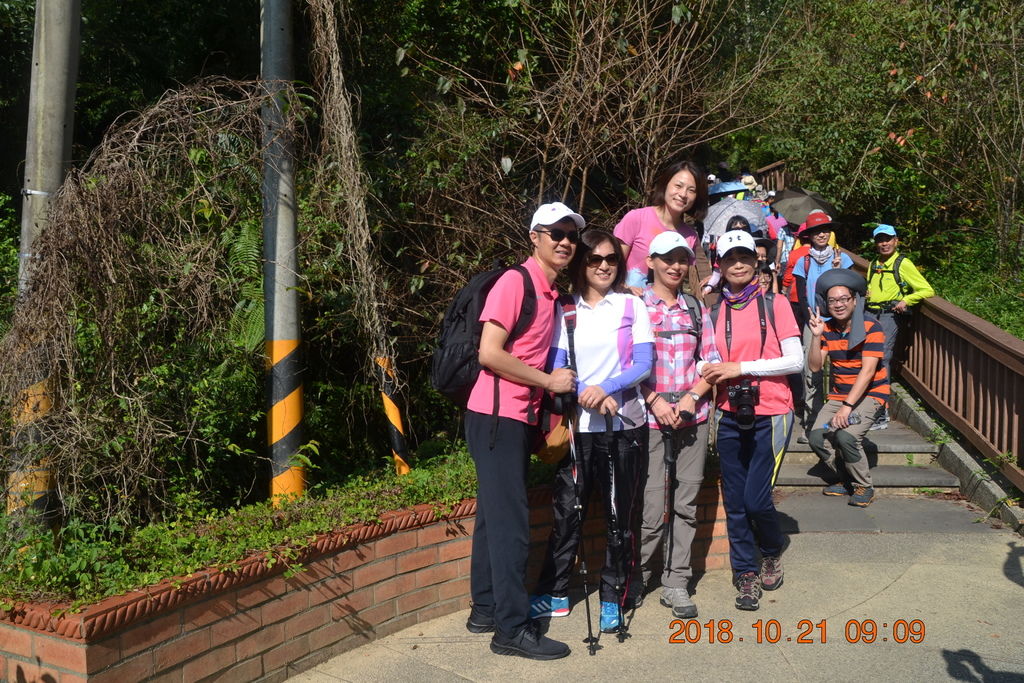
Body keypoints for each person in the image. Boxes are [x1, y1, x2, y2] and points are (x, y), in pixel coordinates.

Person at [463, 202, 580, 660]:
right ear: (535, 236)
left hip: (513, 417)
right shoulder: (517, 282)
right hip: (496, 416)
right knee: (512, 525)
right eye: (555, 232)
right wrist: (549, 382)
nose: (564, 241)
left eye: (570, 234)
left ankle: (487, 610)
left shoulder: (550, 292)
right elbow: (490, 353)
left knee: (494, 517)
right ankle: (511, 630)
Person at [531, 229, 654, 634]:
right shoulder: (566, 309)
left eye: (611, 260)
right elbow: (557, 365)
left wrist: (610, 388)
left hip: (625, 425)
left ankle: (612, 596)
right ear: (581, 264)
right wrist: (588, 392)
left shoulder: (631, 306)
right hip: (578, 429)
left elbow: (643, 363)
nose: (603, 266)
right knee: (568, 514)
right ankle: (556, 592)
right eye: (594, 259)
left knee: (621, 516)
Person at [702, 230, 802, 612]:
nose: (738, 264)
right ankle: (745, 571)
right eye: (730, 258)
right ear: (720, 266)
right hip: (730, 412)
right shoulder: (713, 311)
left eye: (745, 256)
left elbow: (794, 360)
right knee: (735, 500)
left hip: (773, 412)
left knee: (757, 499)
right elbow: (704, 360)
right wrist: (710, 371)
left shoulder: (775, 304)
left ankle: (772, 549)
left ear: (757, 262)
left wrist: (739, 368)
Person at [636, 231, 721, 618]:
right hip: (651, 421)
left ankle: (676, 581)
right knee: (652, 506)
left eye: (682, 259)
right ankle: (635, 576)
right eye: (667, 258)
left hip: (693, 418)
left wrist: (692, 396)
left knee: (686, 504)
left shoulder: (694, 307)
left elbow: (712, 359)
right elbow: (627, 365)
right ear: (650, 261)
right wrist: (653, 400)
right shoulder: (636, 307)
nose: (675, 266)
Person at [807, 269, 889, 507]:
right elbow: (814, 367)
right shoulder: (828, 329)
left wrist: (846, 408)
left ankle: (864, 485)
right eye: (832, 300)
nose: (838, 304)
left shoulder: (871, 327)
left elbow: (868, 372)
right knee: (816, 437)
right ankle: (845, 478)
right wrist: (815, 336)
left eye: (844, 299)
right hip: (839, 394)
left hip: (870, 394)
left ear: (855, 300)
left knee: (846, 436)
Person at [780, 211, 853, 440]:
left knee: (841, 371)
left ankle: (839, 422)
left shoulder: (842, 258)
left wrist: (839, 269)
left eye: (825, 231)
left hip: (840, 323)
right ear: (809, 236)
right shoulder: (804, 261)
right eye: (816, 232)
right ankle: (813, 423)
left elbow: (853, 292)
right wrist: (808, 319)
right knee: (812, 373)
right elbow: (800, 295)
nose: (821, 235)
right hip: (814, 323)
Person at [865, 224, 934, 430]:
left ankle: (881, 410)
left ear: (896, 240)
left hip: (889, 315)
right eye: (880, 240)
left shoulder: (903, 263)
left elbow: (926, 289)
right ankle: (869, 406)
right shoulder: (874, 263)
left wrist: (907, 300)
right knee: (868, 358)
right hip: (870, 313)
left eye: (888, 239)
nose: (884, 243)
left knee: (881, 359)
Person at [614, 160, 709, 291]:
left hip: (663, 309)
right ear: (665, 185)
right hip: (627, 305)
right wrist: (626, 289)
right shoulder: (636, 218)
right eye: (678, 186)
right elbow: (613, 265)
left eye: (691, 190)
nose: (683, 194)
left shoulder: (690, 236)